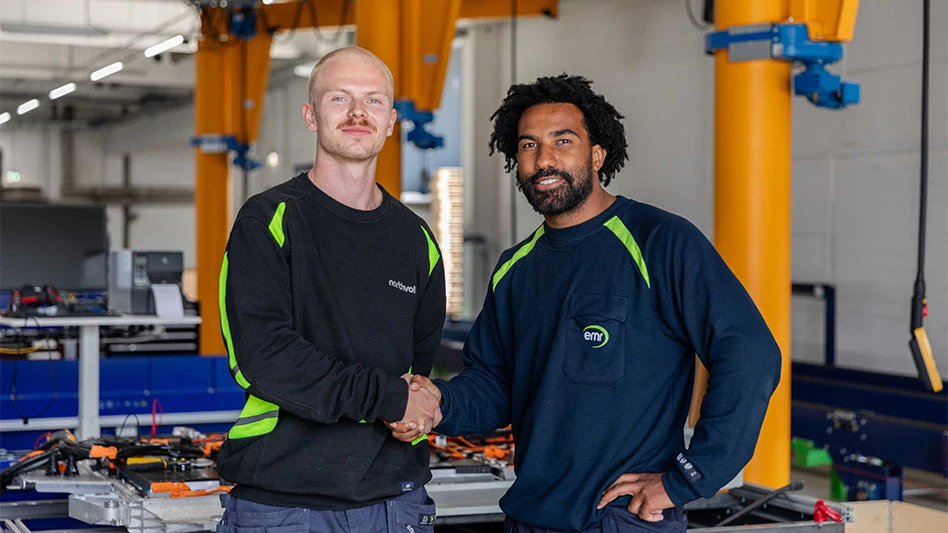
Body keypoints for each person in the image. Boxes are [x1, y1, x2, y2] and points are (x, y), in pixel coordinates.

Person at [390, 74, 781, 532]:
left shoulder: (660, 242)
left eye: (563, 141)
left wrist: (689, 477)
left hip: (622, 519)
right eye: (529, 145)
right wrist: (439, 401)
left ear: (597, 155)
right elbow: (497, 386)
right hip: (530, 517)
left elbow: (749, 352)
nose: (544, 159)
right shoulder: (515, 268)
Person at [215, 46, 445, 533]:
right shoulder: (269, 221)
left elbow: (416, 372)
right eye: (340, 98)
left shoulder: (416, 240)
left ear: (390, 122)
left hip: (397, 502)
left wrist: (413, 408)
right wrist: (388, 399)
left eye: (374, 101)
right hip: (286, 505)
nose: (359, 112)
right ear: (311, 116)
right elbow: (263, 358)